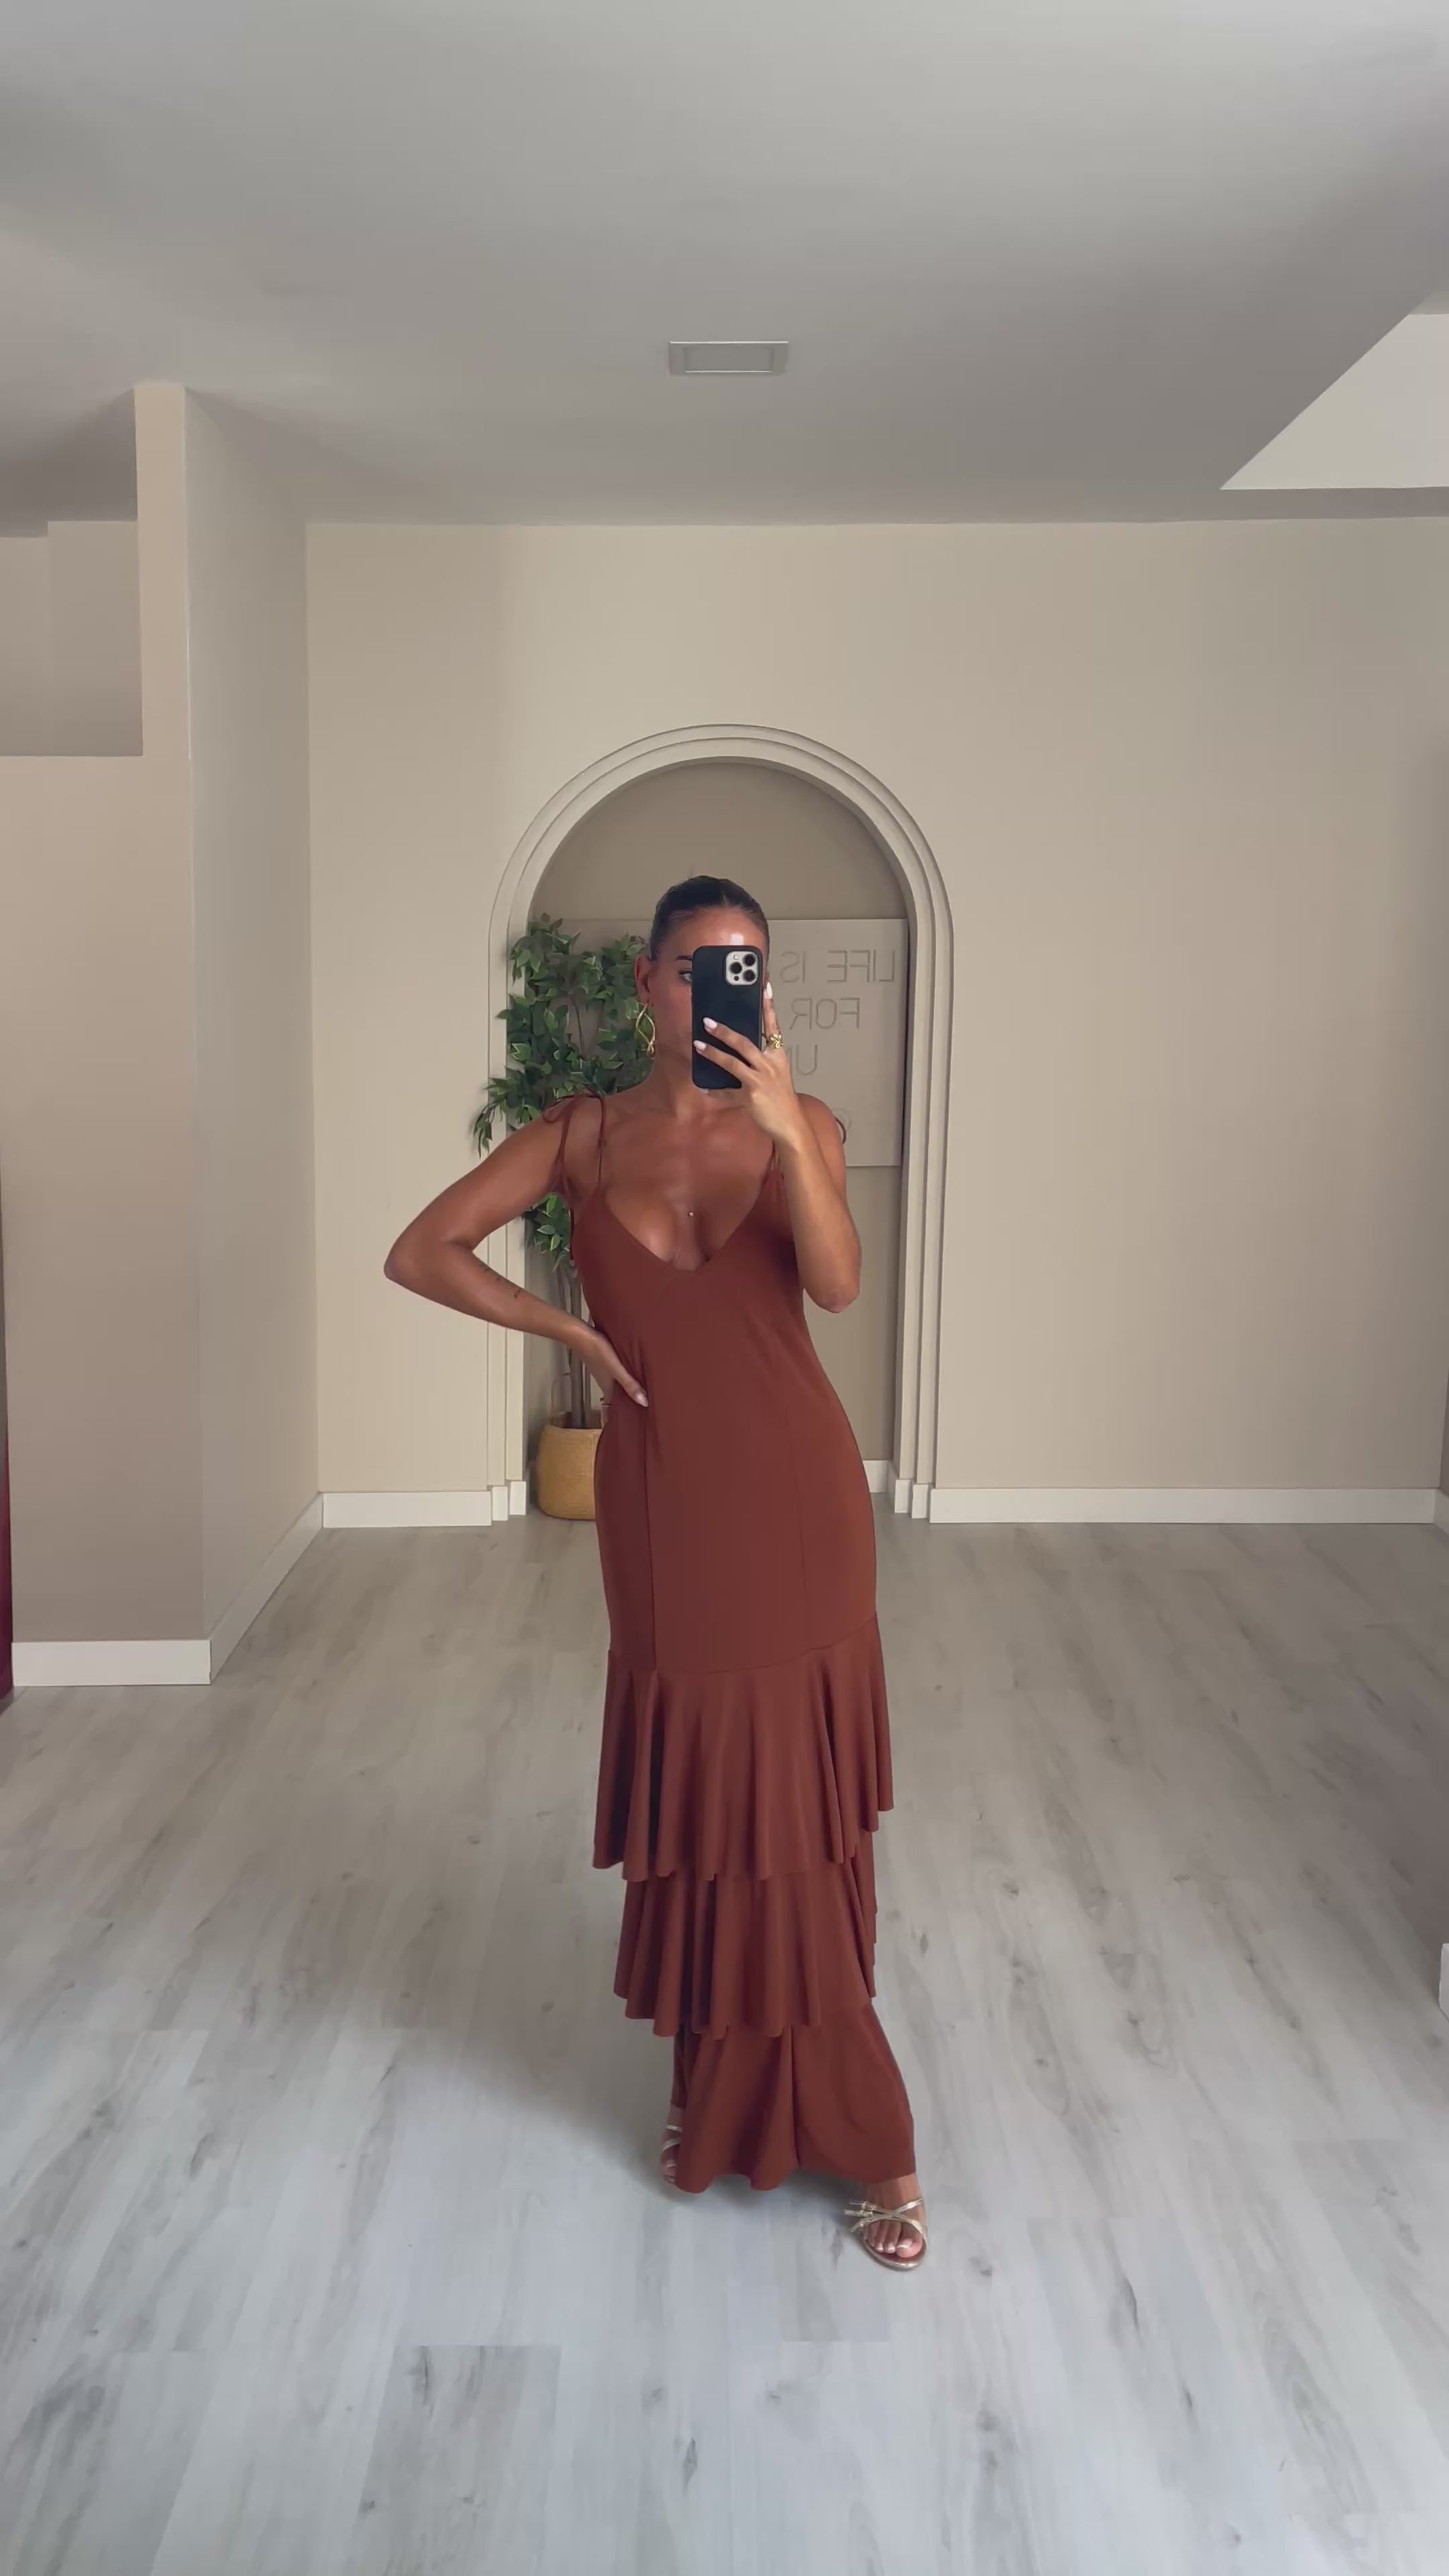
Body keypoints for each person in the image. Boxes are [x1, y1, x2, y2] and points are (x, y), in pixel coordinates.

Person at [383, 874, 927, 2269]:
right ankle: (720, 2085)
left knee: (792, 1814)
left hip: (798, 1502)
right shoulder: (580, 1136)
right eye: (696, 967)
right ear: (646, 982)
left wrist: (785, 1132)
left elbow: (839, 1284)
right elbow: (419, 1250)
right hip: (663, 1507)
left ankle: (871, 2132)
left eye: (746, 967)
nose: (719, 991)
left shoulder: (804, 1124)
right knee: (706, 1801)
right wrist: (568, 1334)